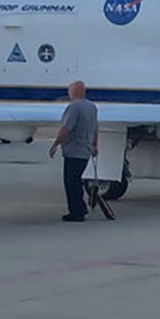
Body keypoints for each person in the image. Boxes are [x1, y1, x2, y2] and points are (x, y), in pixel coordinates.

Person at [49, 80, 99, 222]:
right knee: (76, 180)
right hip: (85, 150)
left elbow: (66, 128)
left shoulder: (74, 107)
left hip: (73, 150)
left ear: (74, 92)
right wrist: (95, 145)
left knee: (71, 182)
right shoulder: (92, 107)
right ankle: (81, 207)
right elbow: (95, 127)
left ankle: (76, 211)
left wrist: (56, 144)